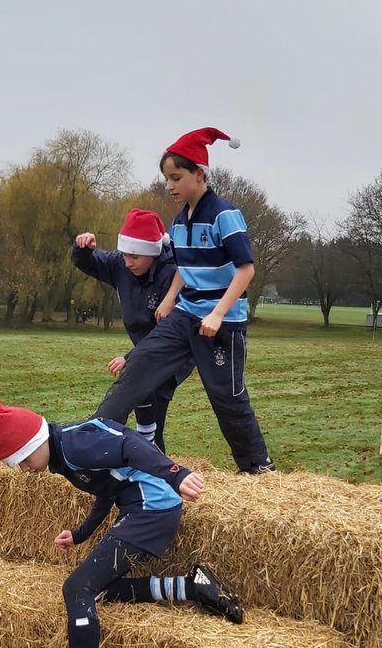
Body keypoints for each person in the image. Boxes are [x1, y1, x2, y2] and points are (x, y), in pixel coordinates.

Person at [0, 395, 243, 648]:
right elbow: (107, 488)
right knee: (100, 589)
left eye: (20, 460)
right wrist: (80, 533)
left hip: (152, 511)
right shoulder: (65, 455)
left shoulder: (76, 443)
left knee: (76, 588)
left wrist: (176, 474)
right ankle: (191, 586)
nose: (23, 470)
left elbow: (130, 445)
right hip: (141, 509)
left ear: (34, 442)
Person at [95, 127, 275, 474]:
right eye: (166, 179)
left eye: (176, 177)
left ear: (200, 174)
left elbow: (246, 270)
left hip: (221, 325)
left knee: (227, 398)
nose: (170, 186)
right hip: (185, 316)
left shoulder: (225, 214)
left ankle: (257, 467)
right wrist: (171, 298)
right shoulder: (178, 223)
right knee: (139, 364)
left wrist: (218, 314)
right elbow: (183, 267)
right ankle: (95, 438)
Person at [71, 207, 192, 452]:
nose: (128, 262)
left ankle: (146, 453)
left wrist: (129, 358)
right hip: (144, 349)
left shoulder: (170, 273)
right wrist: (83, 248)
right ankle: (142, 449)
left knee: (151, 393)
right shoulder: (122, 264)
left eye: (135, 257)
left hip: (174, 350)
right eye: (125, 254)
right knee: (141, 393)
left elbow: (168, 334)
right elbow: (91, 263)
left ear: (153, 253)